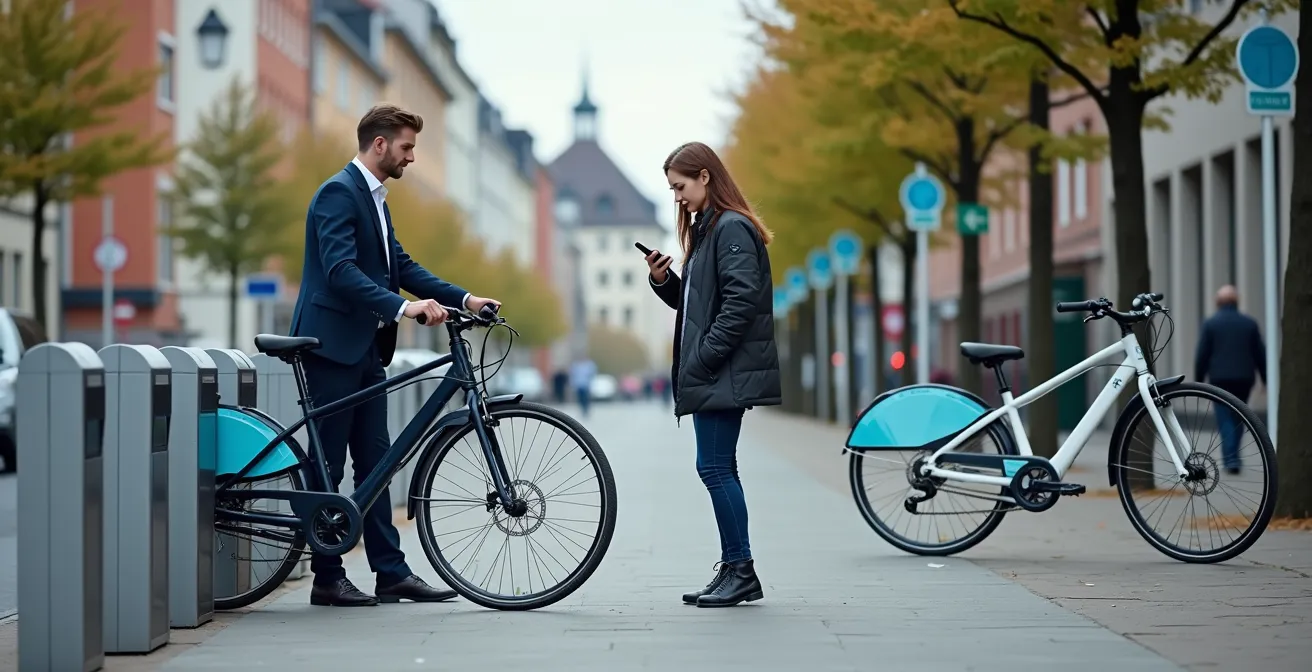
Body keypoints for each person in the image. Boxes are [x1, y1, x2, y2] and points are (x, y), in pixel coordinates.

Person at [289, 104, 501, 607]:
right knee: (331, 466)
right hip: (331, 348)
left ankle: (390, 572)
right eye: (407, 147)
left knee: (377, 464)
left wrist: (464, 299)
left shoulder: (375, 198)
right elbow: (339, 269)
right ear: (379, 144)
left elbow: (400, 265)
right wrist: (404, 309)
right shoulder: (339, 193)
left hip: (365, 350)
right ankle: (326, 577)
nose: (412, 157)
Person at [644, 141, 781, 608]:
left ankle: (741, 570)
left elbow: (741, 303)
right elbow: (701, 306)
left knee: (715, 468)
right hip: (718, 370)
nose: (677, 196)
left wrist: (702, 358)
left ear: (705, 177)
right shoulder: (711, 230)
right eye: (671, 190)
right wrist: (665, 281)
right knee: (720, 467)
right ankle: (734, 568)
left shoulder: (732, 229)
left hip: (722, 371)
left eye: (680, 186)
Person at [1193, 284, 1267, 474]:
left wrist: (1198, 380)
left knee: (1224, 417)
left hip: (1219, 379)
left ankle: (1231, 458)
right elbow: (1260, 354)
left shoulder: (1211, 324)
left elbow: (1202, 355)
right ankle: (1233, 455)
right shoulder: (1249, 323)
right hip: (1244, 378)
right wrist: (1265, 379)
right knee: (1239, 416)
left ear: (1218, 302)